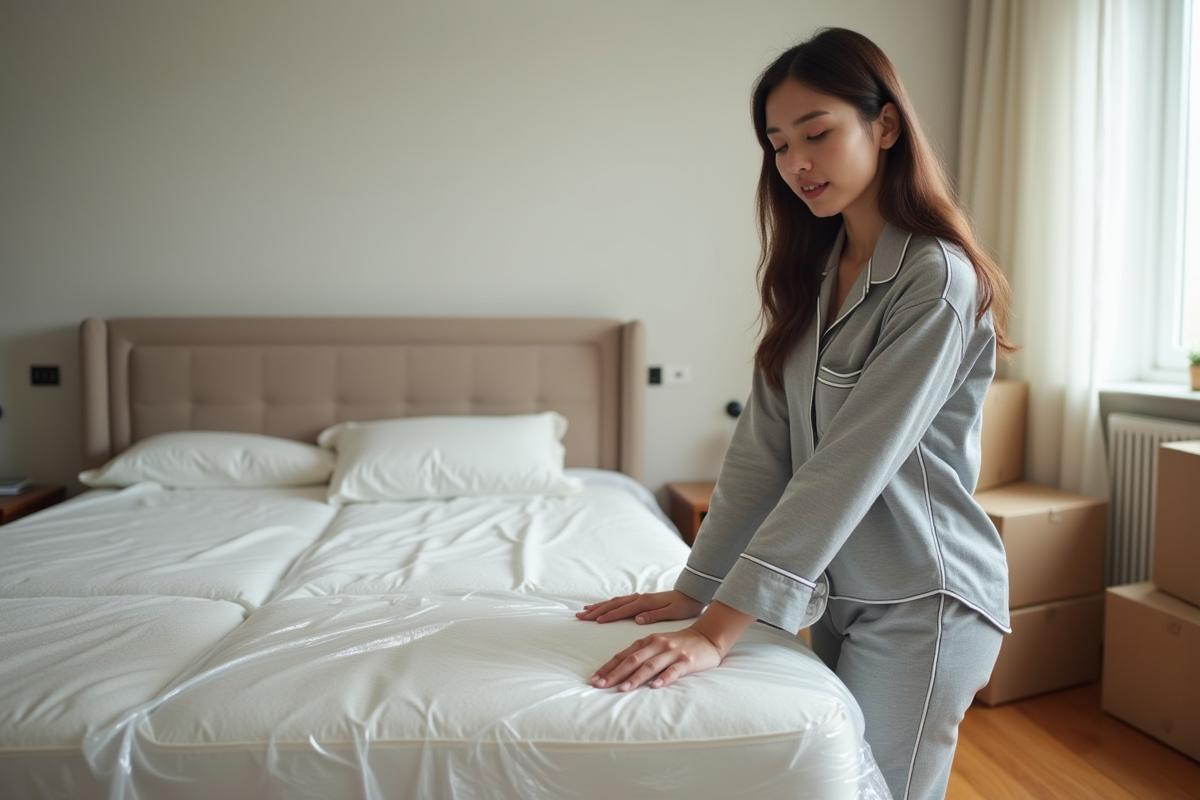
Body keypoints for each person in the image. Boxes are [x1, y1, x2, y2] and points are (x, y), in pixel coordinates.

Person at [576, 27, 1015, 800]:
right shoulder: (815, 276)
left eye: (817, 133)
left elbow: (846, 468)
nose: (796, 163)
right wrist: (696, 586)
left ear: (885, 126)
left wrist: (717, 632)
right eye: (778, 146)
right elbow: (762, 451)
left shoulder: (937, 279)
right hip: (840, 595)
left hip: (923, 598)